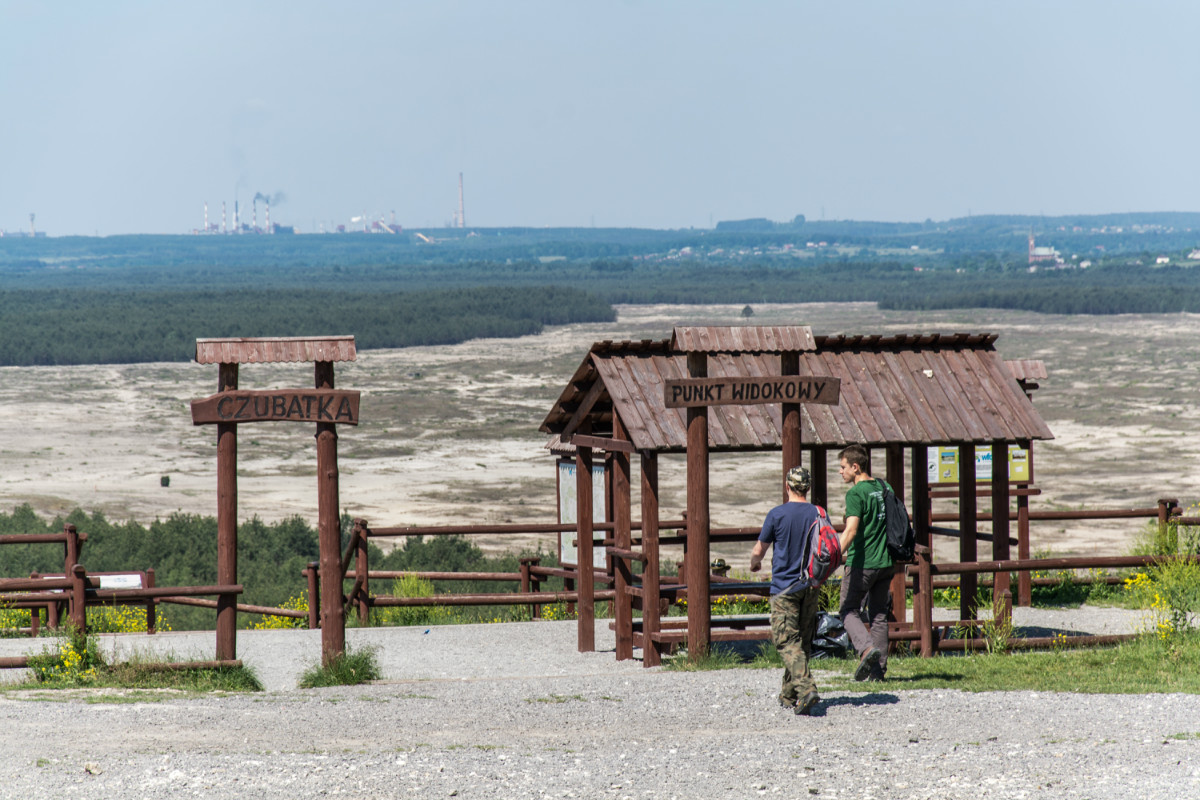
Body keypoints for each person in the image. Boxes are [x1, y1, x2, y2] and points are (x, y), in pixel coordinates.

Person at [750, 465, 822, 716]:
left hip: (784, 588)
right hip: (811, 585)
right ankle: (788, 694)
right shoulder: (818, 513)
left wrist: (754, 563)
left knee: (786, 641)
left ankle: (806, 688)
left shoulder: (777, 514)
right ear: (808, 488)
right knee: (801, 641)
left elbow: (759, 550)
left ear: (787, 486)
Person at [837, 443, 895, 682]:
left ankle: (866, 649)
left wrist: (832, 557)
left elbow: (850, 531)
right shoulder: (884, 486)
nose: (840, 472)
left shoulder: (855, 493)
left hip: (863, 563)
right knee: (879, 615)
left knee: (848, 610)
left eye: (843, 467)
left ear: (855, 466)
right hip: (886, 562)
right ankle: (877, 672)